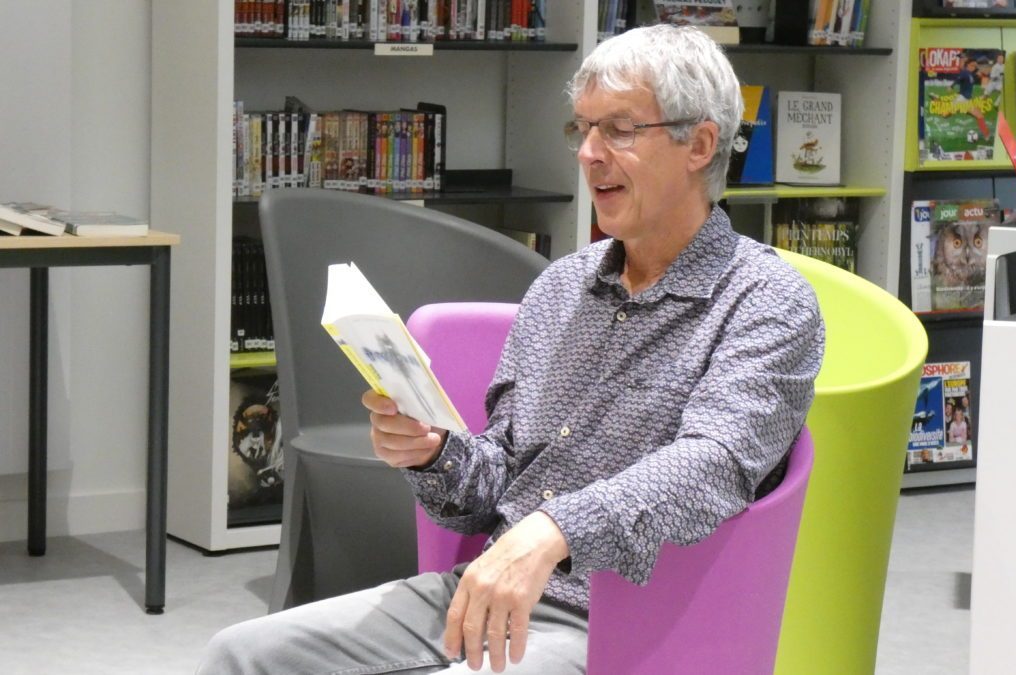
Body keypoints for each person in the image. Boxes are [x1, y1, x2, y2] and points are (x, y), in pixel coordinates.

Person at [198, 24, 824, 675]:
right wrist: (434, 451)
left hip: (628, 622)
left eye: (618, 129)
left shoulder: (767, 301)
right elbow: (497, 477)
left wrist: (554, 531)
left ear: (699, 143)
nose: (588, 153)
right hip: (485, 592)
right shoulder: (560, 288)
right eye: (581, 129)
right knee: (241, 653)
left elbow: (712, 469)